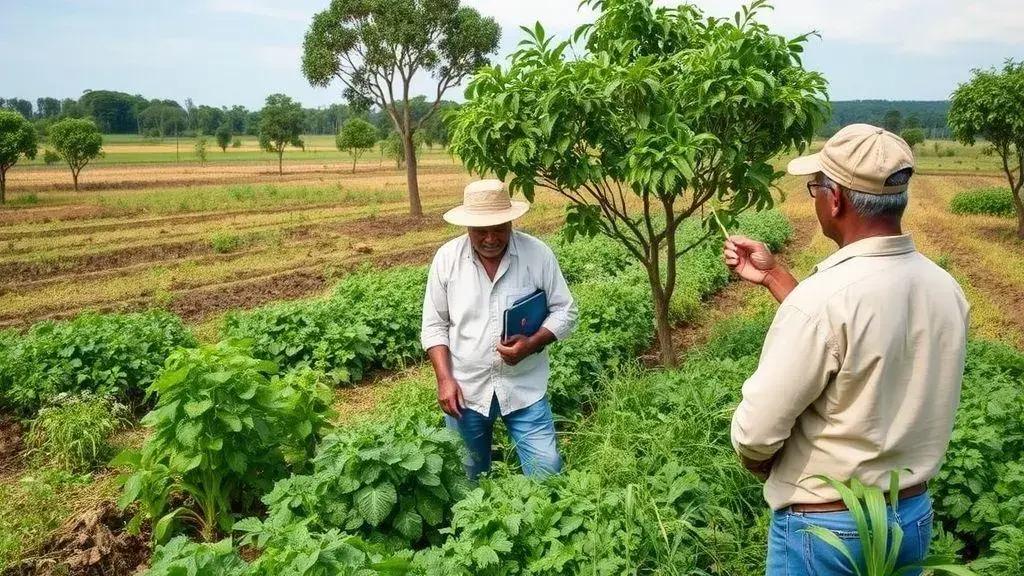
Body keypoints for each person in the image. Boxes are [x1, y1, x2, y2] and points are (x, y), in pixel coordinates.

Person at [723, 124, 969, 575]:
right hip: (909, 516)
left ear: (835, 200)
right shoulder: (945, 288)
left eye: (815, 187)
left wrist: (763, 466)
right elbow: (863, 343)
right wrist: (776, 277)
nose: (813, 198)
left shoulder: (823, 299)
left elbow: (756, 434)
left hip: (828, 529)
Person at [421, 179, 578, 480]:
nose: (491, 238)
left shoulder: (537, 255)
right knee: (468, 479)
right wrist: (444, 379)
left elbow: (565, 310)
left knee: (547, 473)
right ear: (467, 226)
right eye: (481, 230)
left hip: (524, 387)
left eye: (499, 228)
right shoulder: (447, 260)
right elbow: (434, 324)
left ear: (511, 221)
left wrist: (532, 343)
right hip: (466, 392)